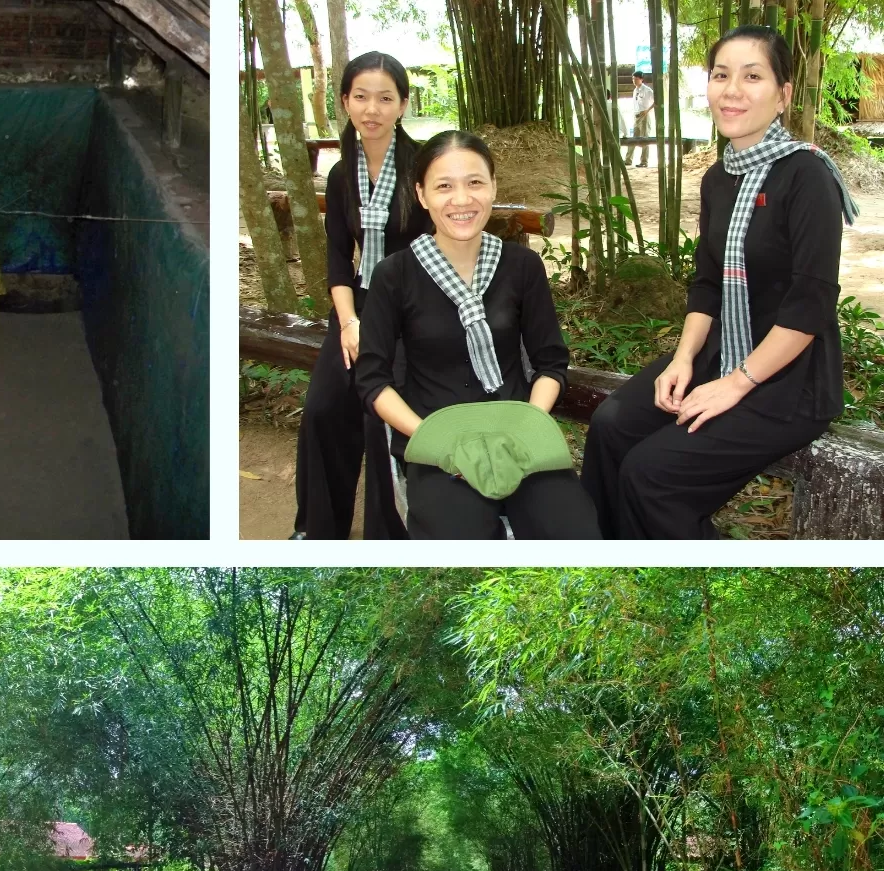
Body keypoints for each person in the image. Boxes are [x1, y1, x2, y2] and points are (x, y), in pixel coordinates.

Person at [582, 25, 856, 539]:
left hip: (788, 381)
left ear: (783, 94)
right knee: (612, 426)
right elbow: (707, 283)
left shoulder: (806, 175)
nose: (732, 90)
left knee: (653, 476)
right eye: (721, 75)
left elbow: (810, 304)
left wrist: (736, 384)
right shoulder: (718, 177)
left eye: (753, 76)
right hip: (720, 353)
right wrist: (683, 360)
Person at [354, 130, 603, 539]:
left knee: (573, 533)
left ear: (493, 187)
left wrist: (527, 427)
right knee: (461, 543)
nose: (462, 200)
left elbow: (550, 363)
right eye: (444, 186)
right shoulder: (395, 275)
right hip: (437, 439)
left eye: (474, 182)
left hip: (518, 433)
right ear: (421, 195)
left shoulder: (521, 266)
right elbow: (371, 379)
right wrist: (438, 441)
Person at [291, 51, 427, 540]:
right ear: (345, 101)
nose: (372, 109)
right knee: (324, 408)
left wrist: (381, 323)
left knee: (380, 419)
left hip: (412, 308)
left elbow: (429, 256)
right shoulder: (340, 174)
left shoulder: (421, 168)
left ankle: (388, 536)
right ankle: (317, 529)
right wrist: (348, 322)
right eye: (361, 97)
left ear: (403, 105)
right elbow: (336, 258)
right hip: (357, 305)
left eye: (385, 98)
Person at [628, 70, 656, 168]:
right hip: (636, 115)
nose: (634, 81)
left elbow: (656, 101)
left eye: (636, 79)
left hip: (644, 114)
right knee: (633, 138)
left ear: (641, 79)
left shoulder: (647, 90)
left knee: (645, 138)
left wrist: (647, 110)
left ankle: (644, 161)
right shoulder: (635, 90)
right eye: (633, 79)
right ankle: (628, 159)